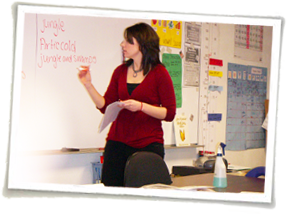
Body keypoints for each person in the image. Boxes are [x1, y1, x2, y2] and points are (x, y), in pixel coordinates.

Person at [78, 22, 176, 187]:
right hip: (117, 144)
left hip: (148, 145)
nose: (123, 45)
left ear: (143, 45)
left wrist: (141, 106)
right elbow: (105, 105)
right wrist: (88, 84)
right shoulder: (120, 71)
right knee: (111, 194)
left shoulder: (160, 73)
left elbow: (169, 113)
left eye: (129, 41)